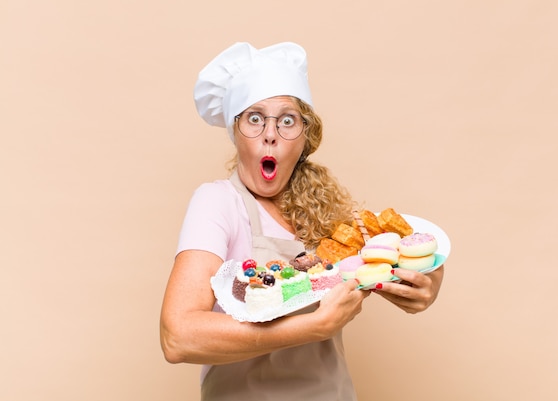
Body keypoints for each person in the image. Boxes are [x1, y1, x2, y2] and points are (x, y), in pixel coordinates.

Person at [159, 42, 444, 400]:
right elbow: (178, 336)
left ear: (305, 137)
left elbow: (392, 252)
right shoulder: (218, 202)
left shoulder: (326, 214)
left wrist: (428, 279)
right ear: (236, 133)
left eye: (288, 120)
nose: (270, 133)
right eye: (255, 118)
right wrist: (312, 327)